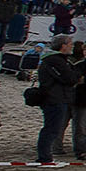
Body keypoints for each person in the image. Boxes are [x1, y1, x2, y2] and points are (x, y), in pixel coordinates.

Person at [34, 36, 79, 164]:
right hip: (54, 98)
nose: (72, 46)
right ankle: (44, 157)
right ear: (63, 45)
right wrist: (75, 76)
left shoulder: (58, 60)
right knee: (51, 128)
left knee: (52, 127)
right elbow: (70, 79)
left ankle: (45, 155)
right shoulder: (55, 60)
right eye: (70, 44)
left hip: (58, 97)